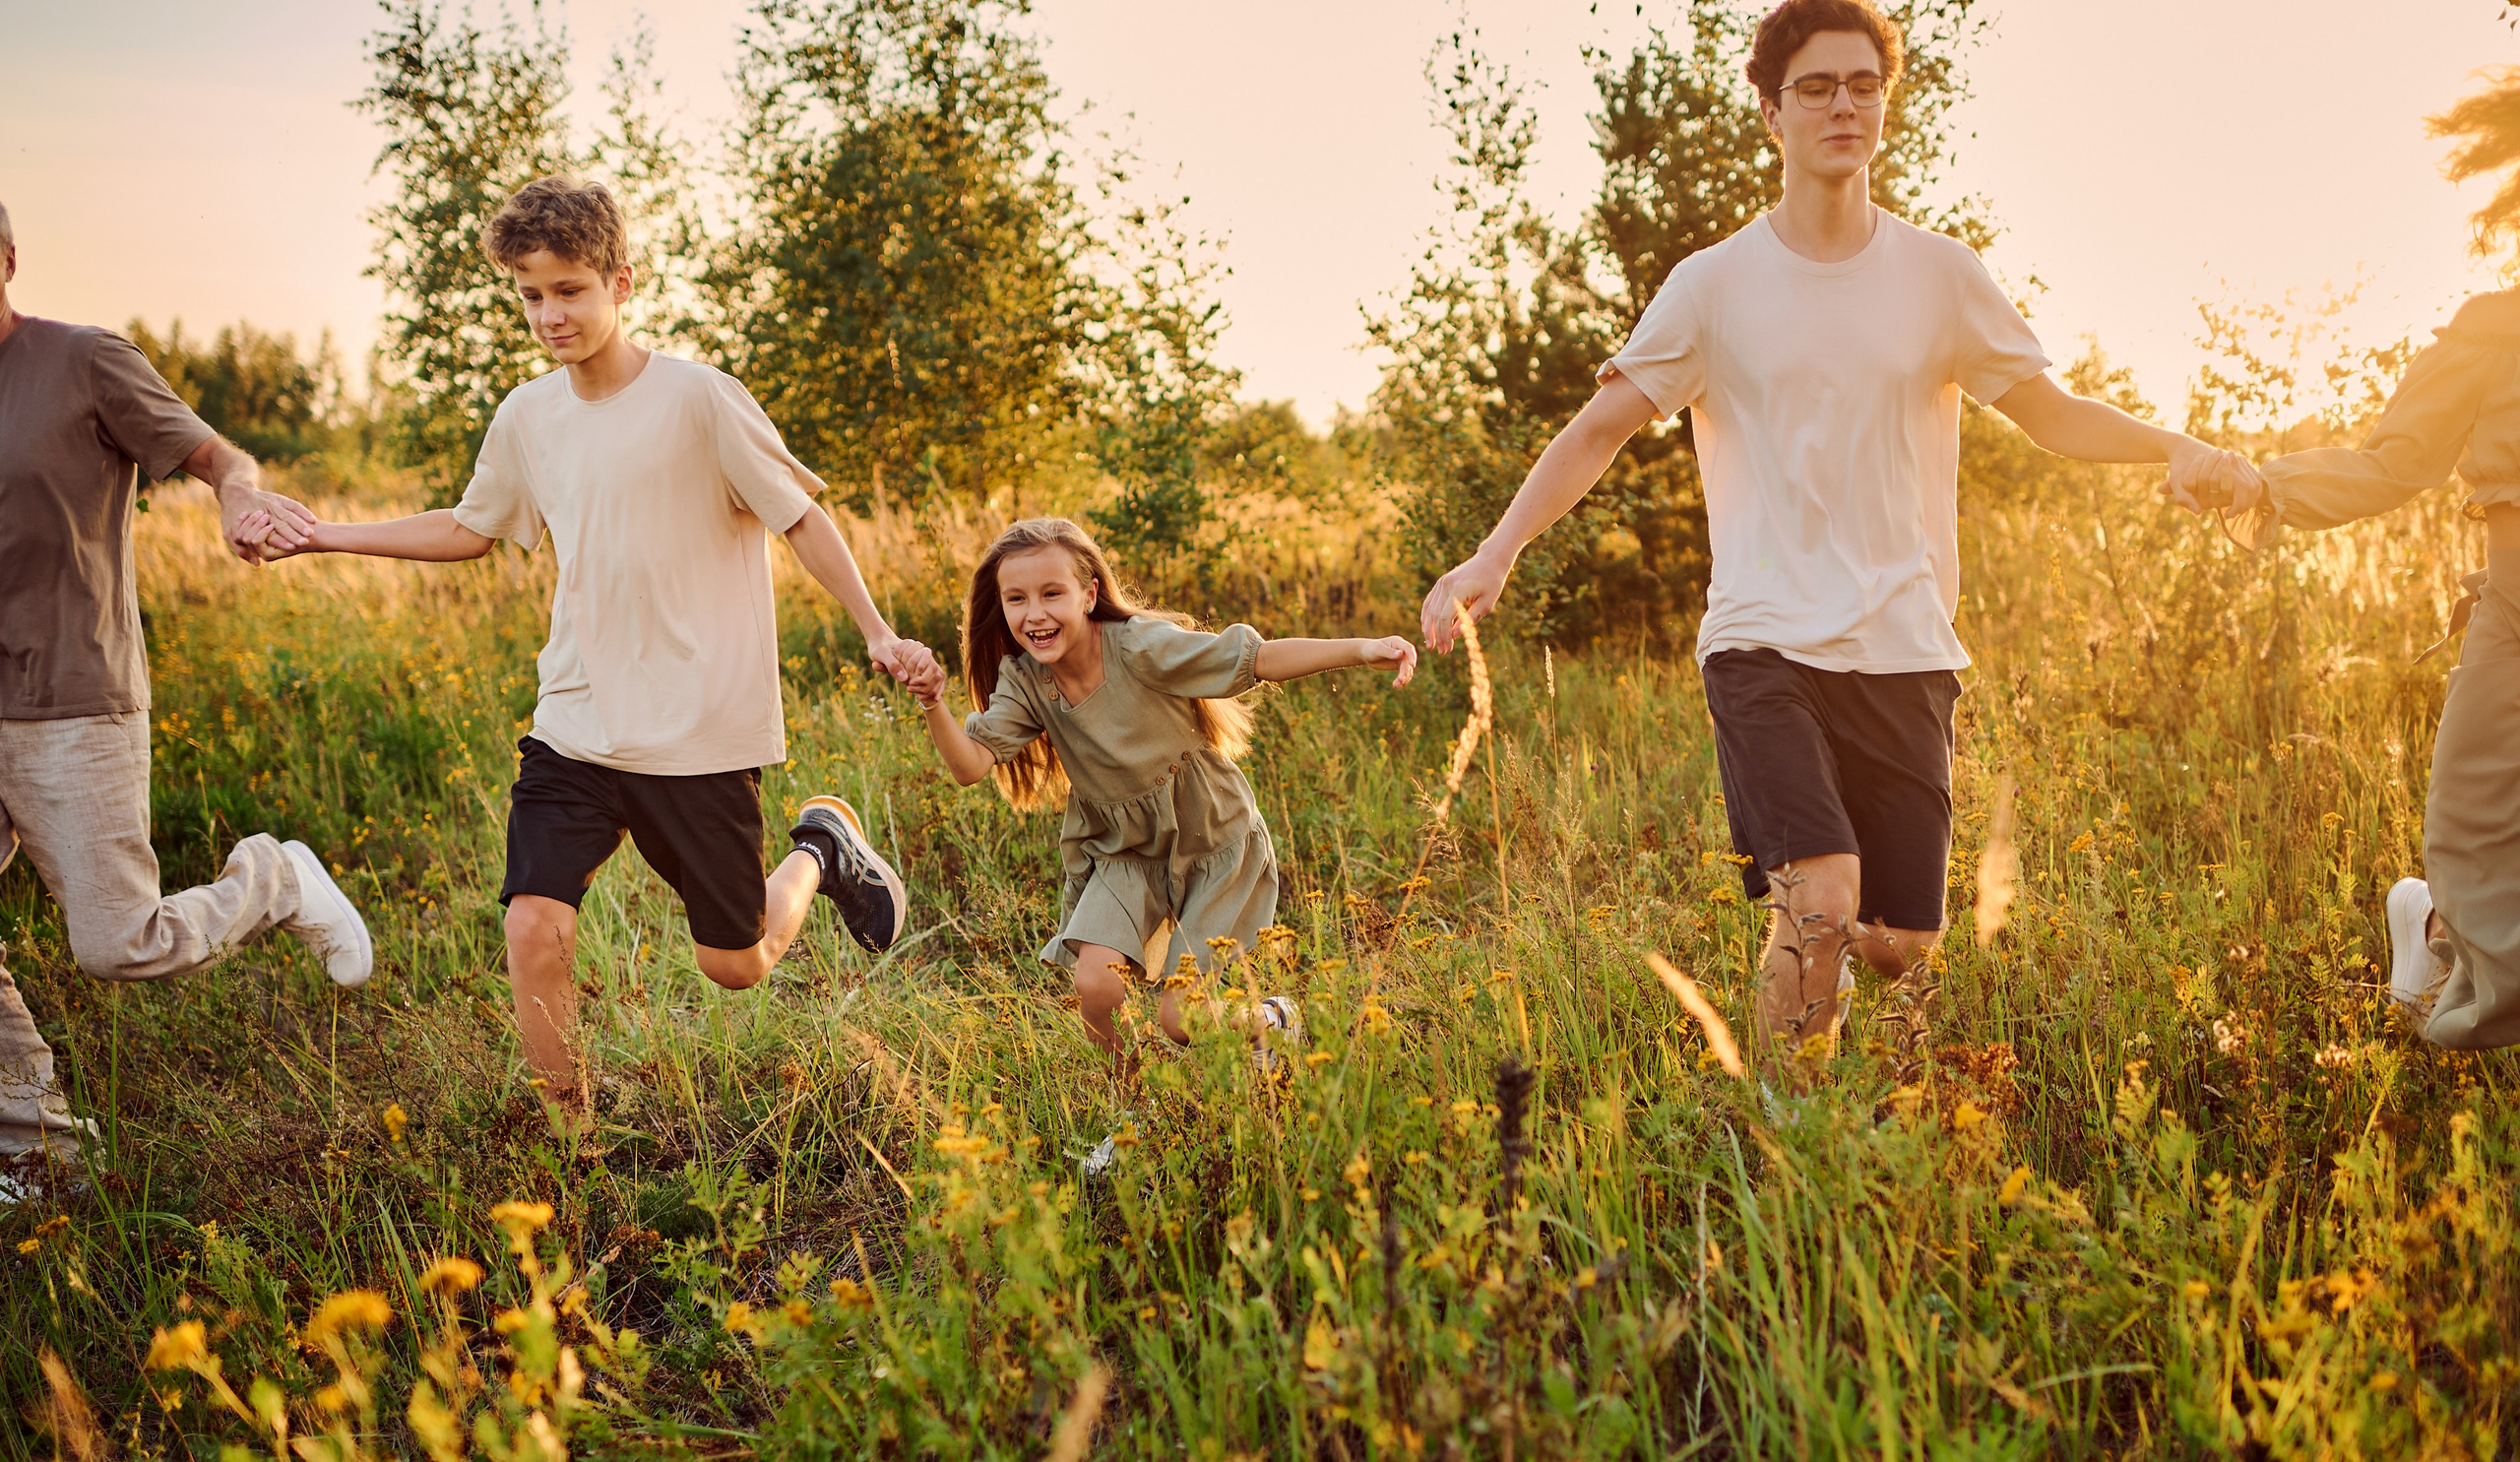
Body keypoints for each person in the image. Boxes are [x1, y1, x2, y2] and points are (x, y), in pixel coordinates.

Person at [1416, 0, 2255, 1067]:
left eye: (1863, 84)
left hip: (1905, 645)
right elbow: (1598, 431)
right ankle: (1780, 1129)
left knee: (1898, 940)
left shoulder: (1940, 274)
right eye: (1815, 86)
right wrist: (1496, 552)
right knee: (1821, 898)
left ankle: (1810, 978)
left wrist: (2172, 444)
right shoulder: (1712, 285)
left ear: (1884, 104)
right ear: (1769, 111)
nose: (1843, 105)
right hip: (1763, 639)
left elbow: (2051, 414)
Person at [263, 175, 932, 1112]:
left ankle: (821, 849)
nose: (549, 313)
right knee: (534, 923)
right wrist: (325, 534)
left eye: (570, 289)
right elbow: (470, 527)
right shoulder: (528, 417)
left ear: (624, 280)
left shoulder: (702, 399)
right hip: (576, 721)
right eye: (531, 294)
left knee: (734, 963)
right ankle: (569, 1138)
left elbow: (802, 519)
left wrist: (877, 630)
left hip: (696, 728)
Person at [0, 198, 374, 1182]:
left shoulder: (82, 361)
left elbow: (217, 455)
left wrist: (239, 497)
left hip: (73, 697)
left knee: (118, 944)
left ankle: (276, 880)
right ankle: (42, 1159)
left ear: (5, 259)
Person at [905, 518, 1416, 1068]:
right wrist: (934, 702)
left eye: (1053, 593)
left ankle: (1273, 1018)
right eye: (1016, 598)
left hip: (1212, 839)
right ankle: (1130, 1118)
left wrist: (1361, 649)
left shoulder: (1138, 647)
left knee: (1183, 1020)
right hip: (1124, 854)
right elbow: (971, 765)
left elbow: (1256, 659)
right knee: (1095, 988)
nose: (1035, 614)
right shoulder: (1026, 679)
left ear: (1089, 593)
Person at [2221, 291, 2520, 1049]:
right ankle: (2430, 924)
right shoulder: (2495, 329)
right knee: (2471, 839)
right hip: (2514, 622)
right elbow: (2395, 462)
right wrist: (2268, 487)